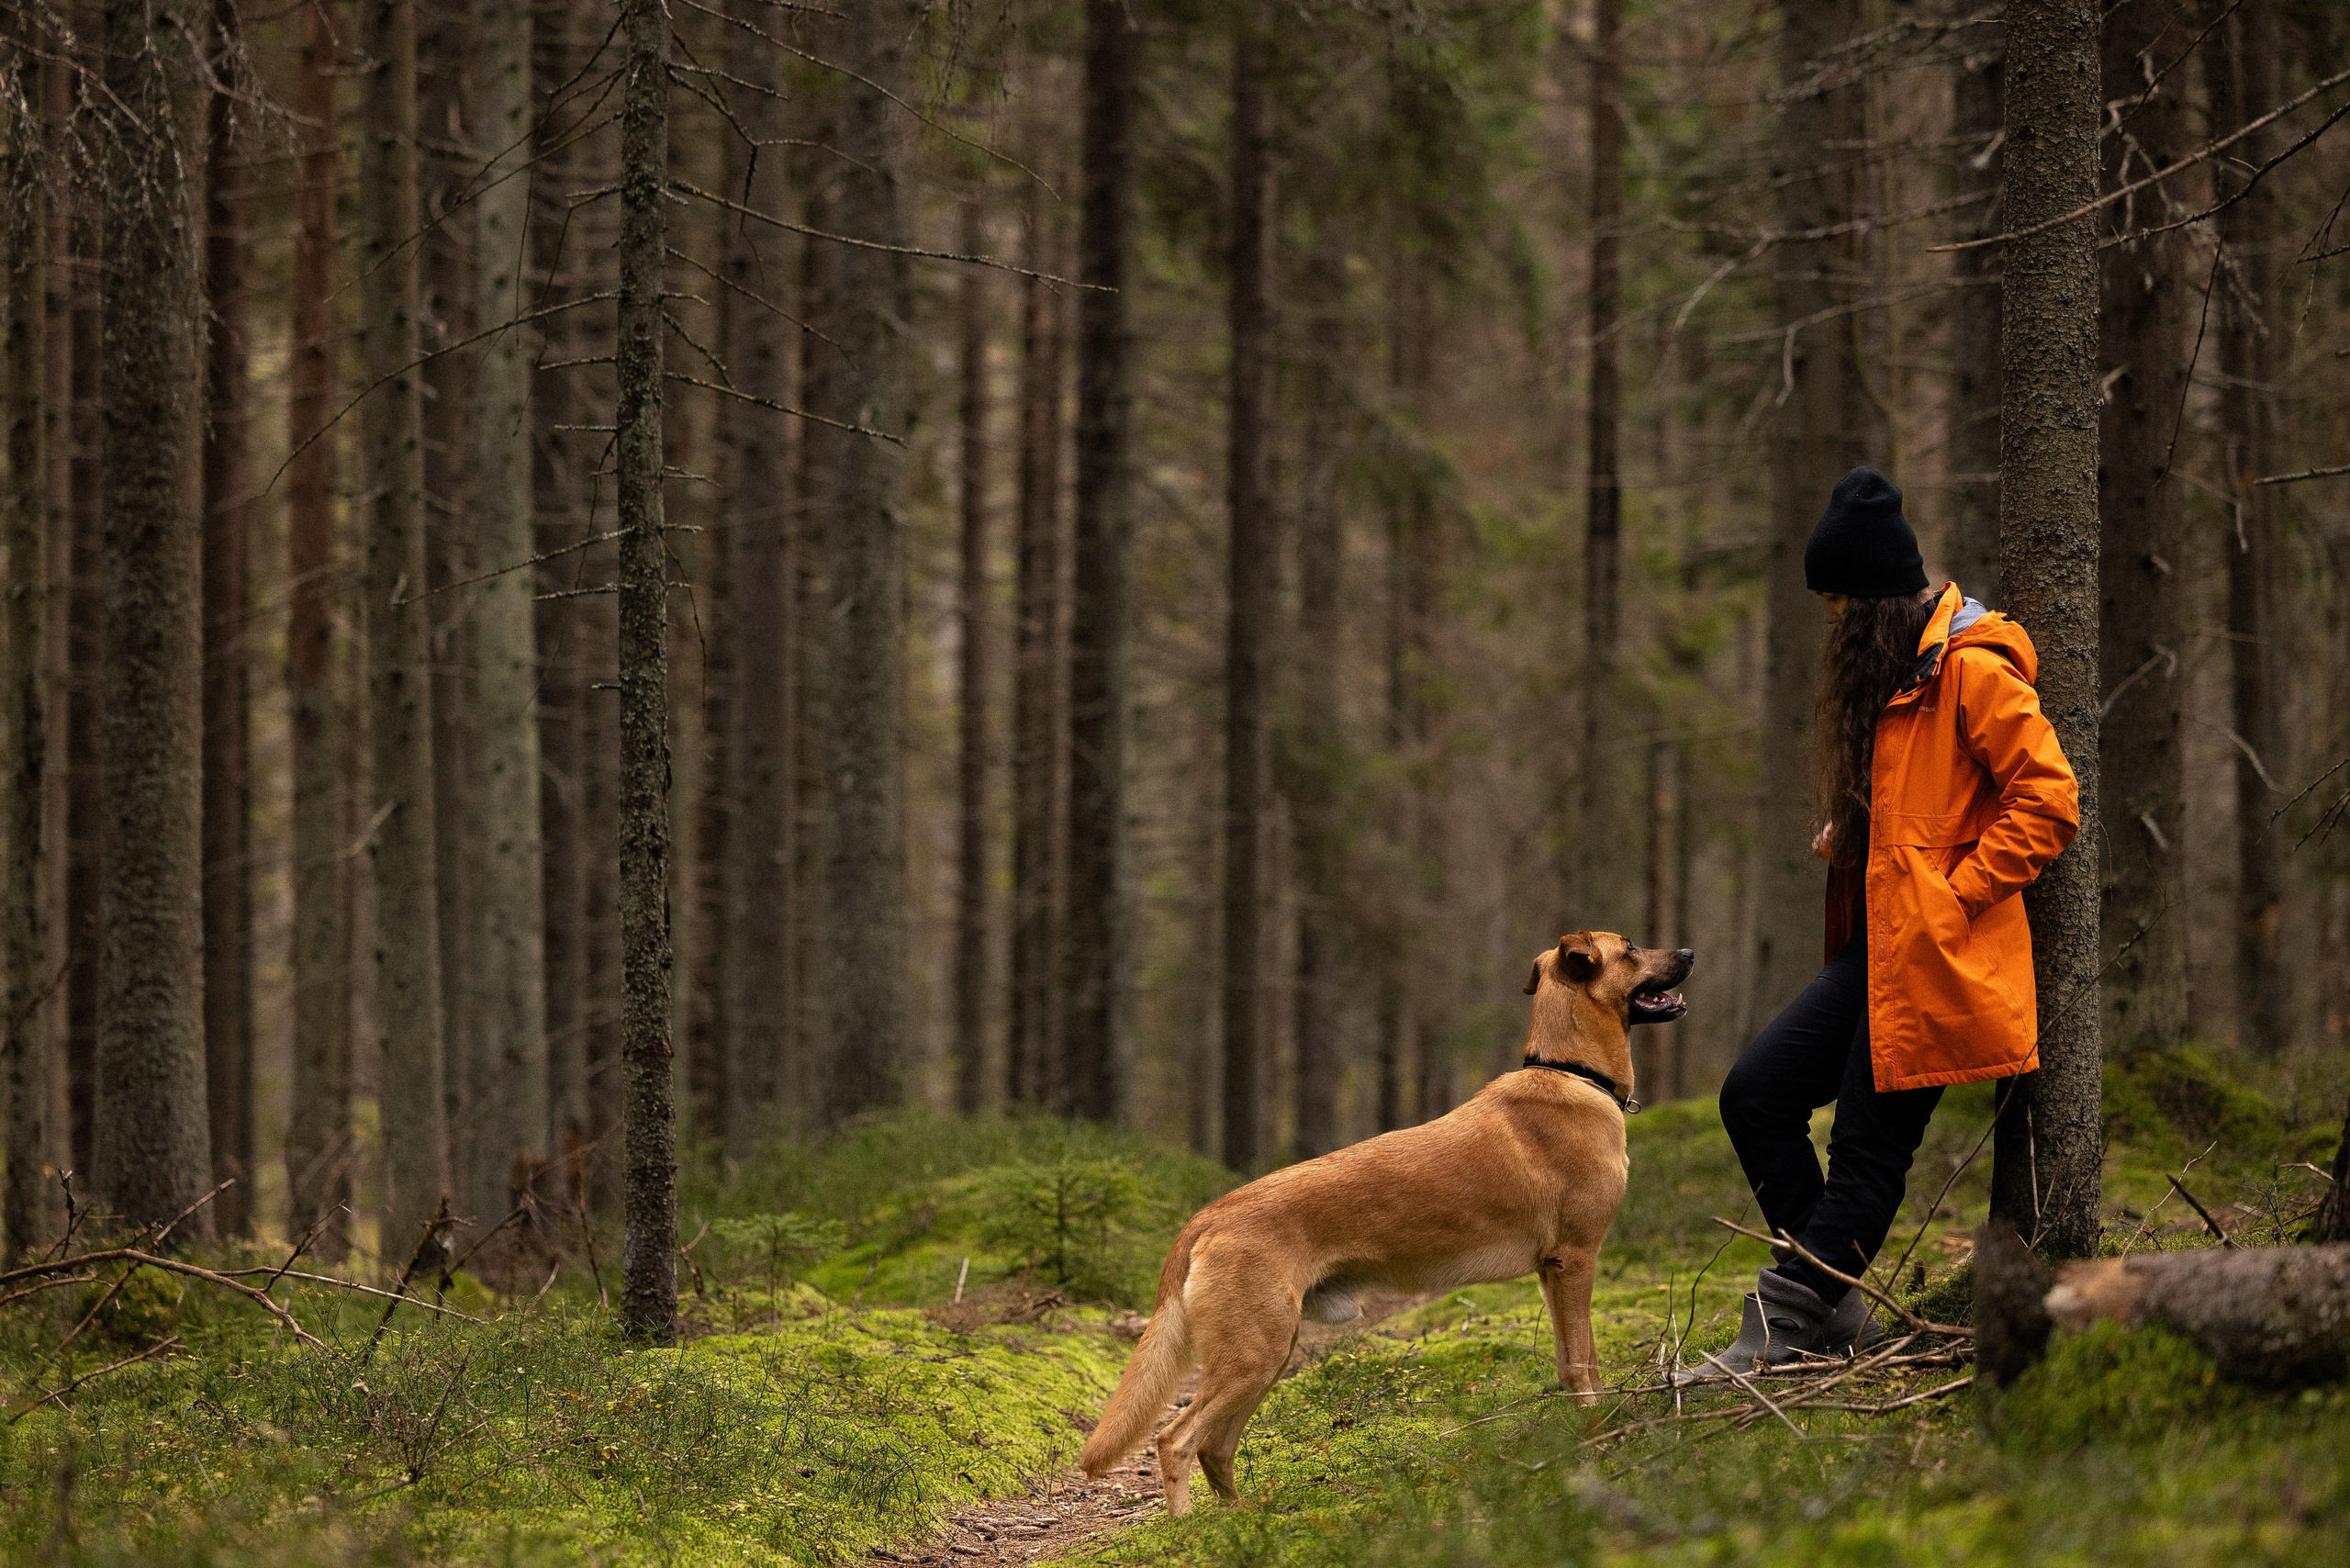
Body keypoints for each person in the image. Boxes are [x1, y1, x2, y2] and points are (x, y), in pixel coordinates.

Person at [1678, 466, 2078, 1381]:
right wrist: (1860, 835)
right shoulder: (1906, 676)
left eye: (1837, 607)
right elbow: (1925, 802)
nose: (1831, 626)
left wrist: (1954, 891)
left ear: (1873, 604)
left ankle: (1781, 1324)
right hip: (1880, 948)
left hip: (1939, 956)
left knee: (1866, 1149)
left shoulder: (1972, 672)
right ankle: (1830, 1302)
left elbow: (2049, 801)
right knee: (1757, 1095)